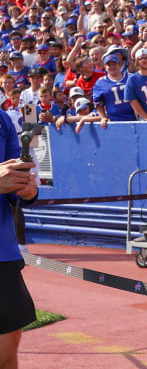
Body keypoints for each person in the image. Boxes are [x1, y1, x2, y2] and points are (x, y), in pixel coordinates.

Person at [1, 108, 39, 369]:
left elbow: (12, 184)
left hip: (2, 250)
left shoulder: (2, 119)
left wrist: (26, 188)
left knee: (8, 343)